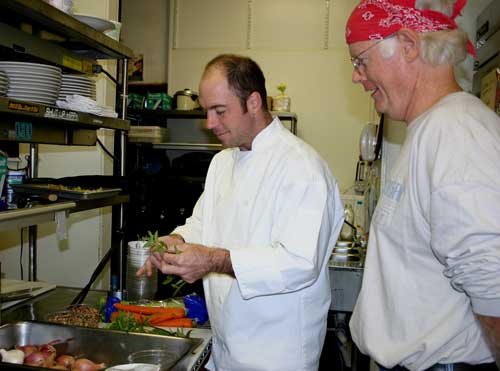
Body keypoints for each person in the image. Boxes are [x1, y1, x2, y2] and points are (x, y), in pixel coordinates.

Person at [138, 54, 344, 371]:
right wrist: (176, 239)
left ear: (253, 102)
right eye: (206, 111)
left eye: (220, 111)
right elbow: (203, 222)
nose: (209, 123)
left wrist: (213, 259)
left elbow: (300, 262)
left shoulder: (302, 167)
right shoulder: (223, 162)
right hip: (226, 347)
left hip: (278, 355)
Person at [344, 1, 500, 370]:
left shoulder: (456, 131)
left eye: (360, 60)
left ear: (409, 45)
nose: (356, 76)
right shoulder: (429, 129)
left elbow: (491, 279)